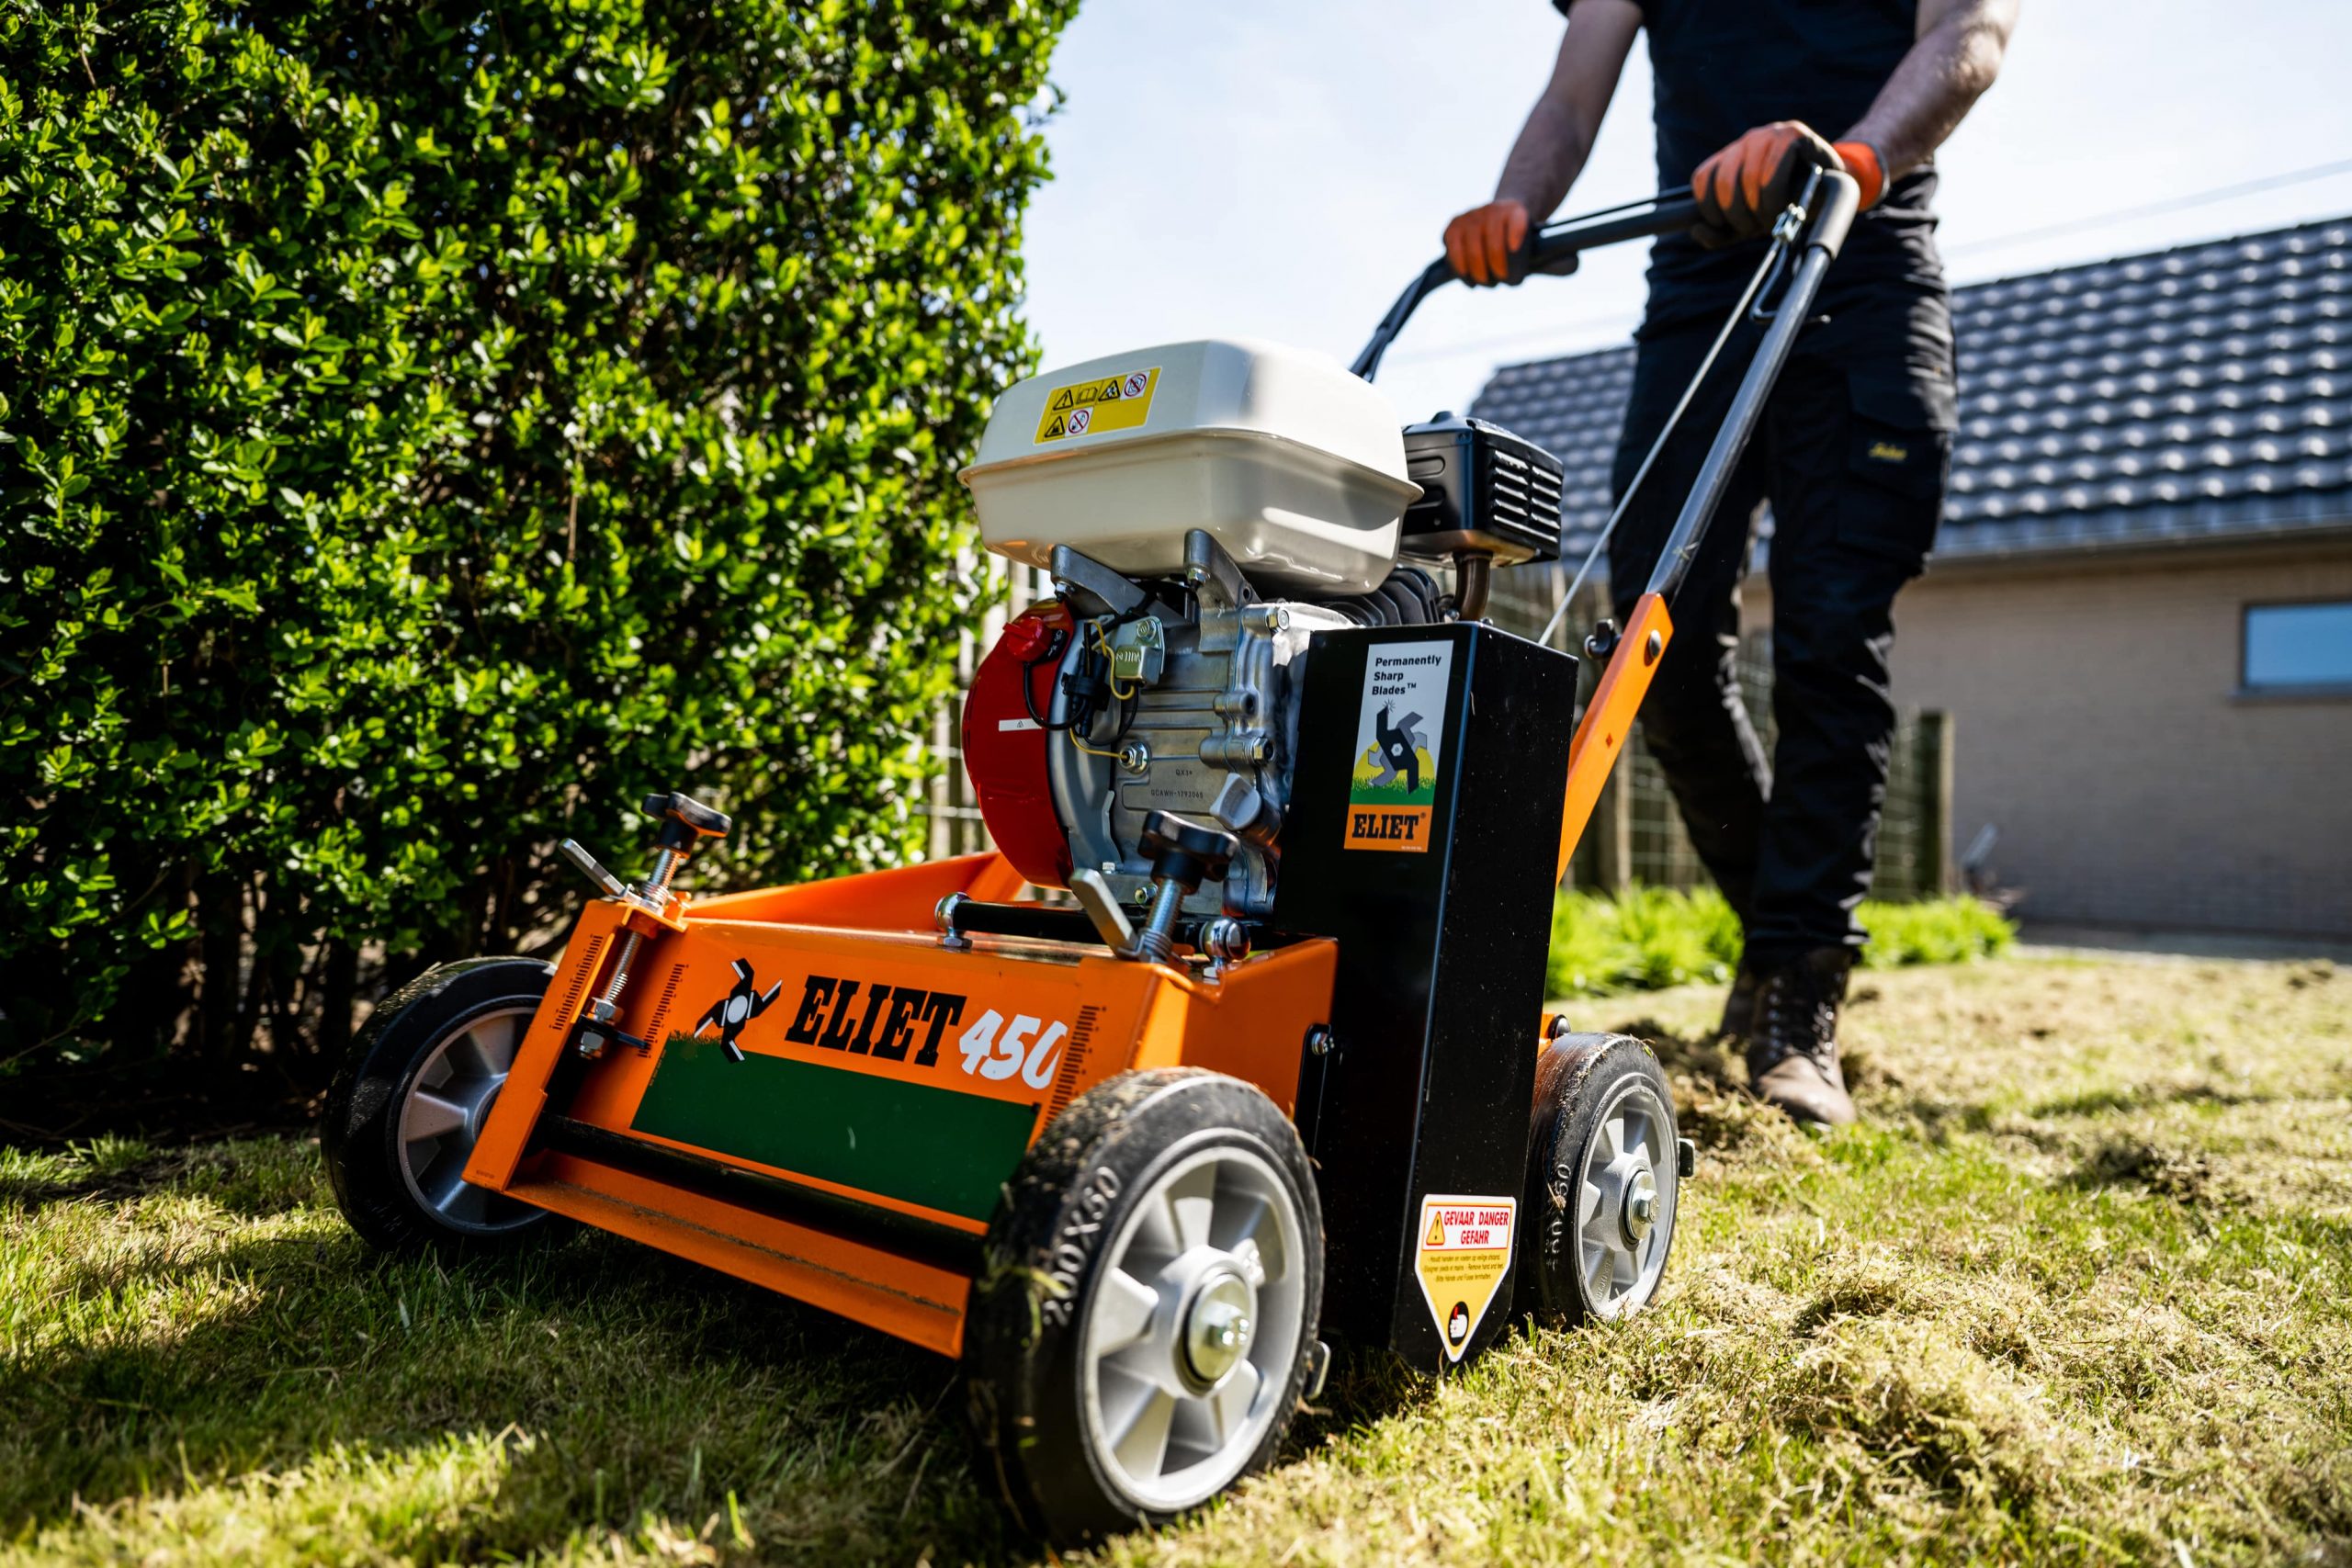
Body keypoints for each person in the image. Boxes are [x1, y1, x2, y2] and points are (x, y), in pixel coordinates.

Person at [1444, 0, 2018, 1126]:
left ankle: (1800, 1002)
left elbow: (1972, 36)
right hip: (1700, 294)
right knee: (1651, 647)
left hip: (1863, 273)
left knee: (1828, 645)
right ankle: (1776, 940)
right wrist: (1517, 204)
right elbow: (1570, 97)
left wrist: (1856, 156)